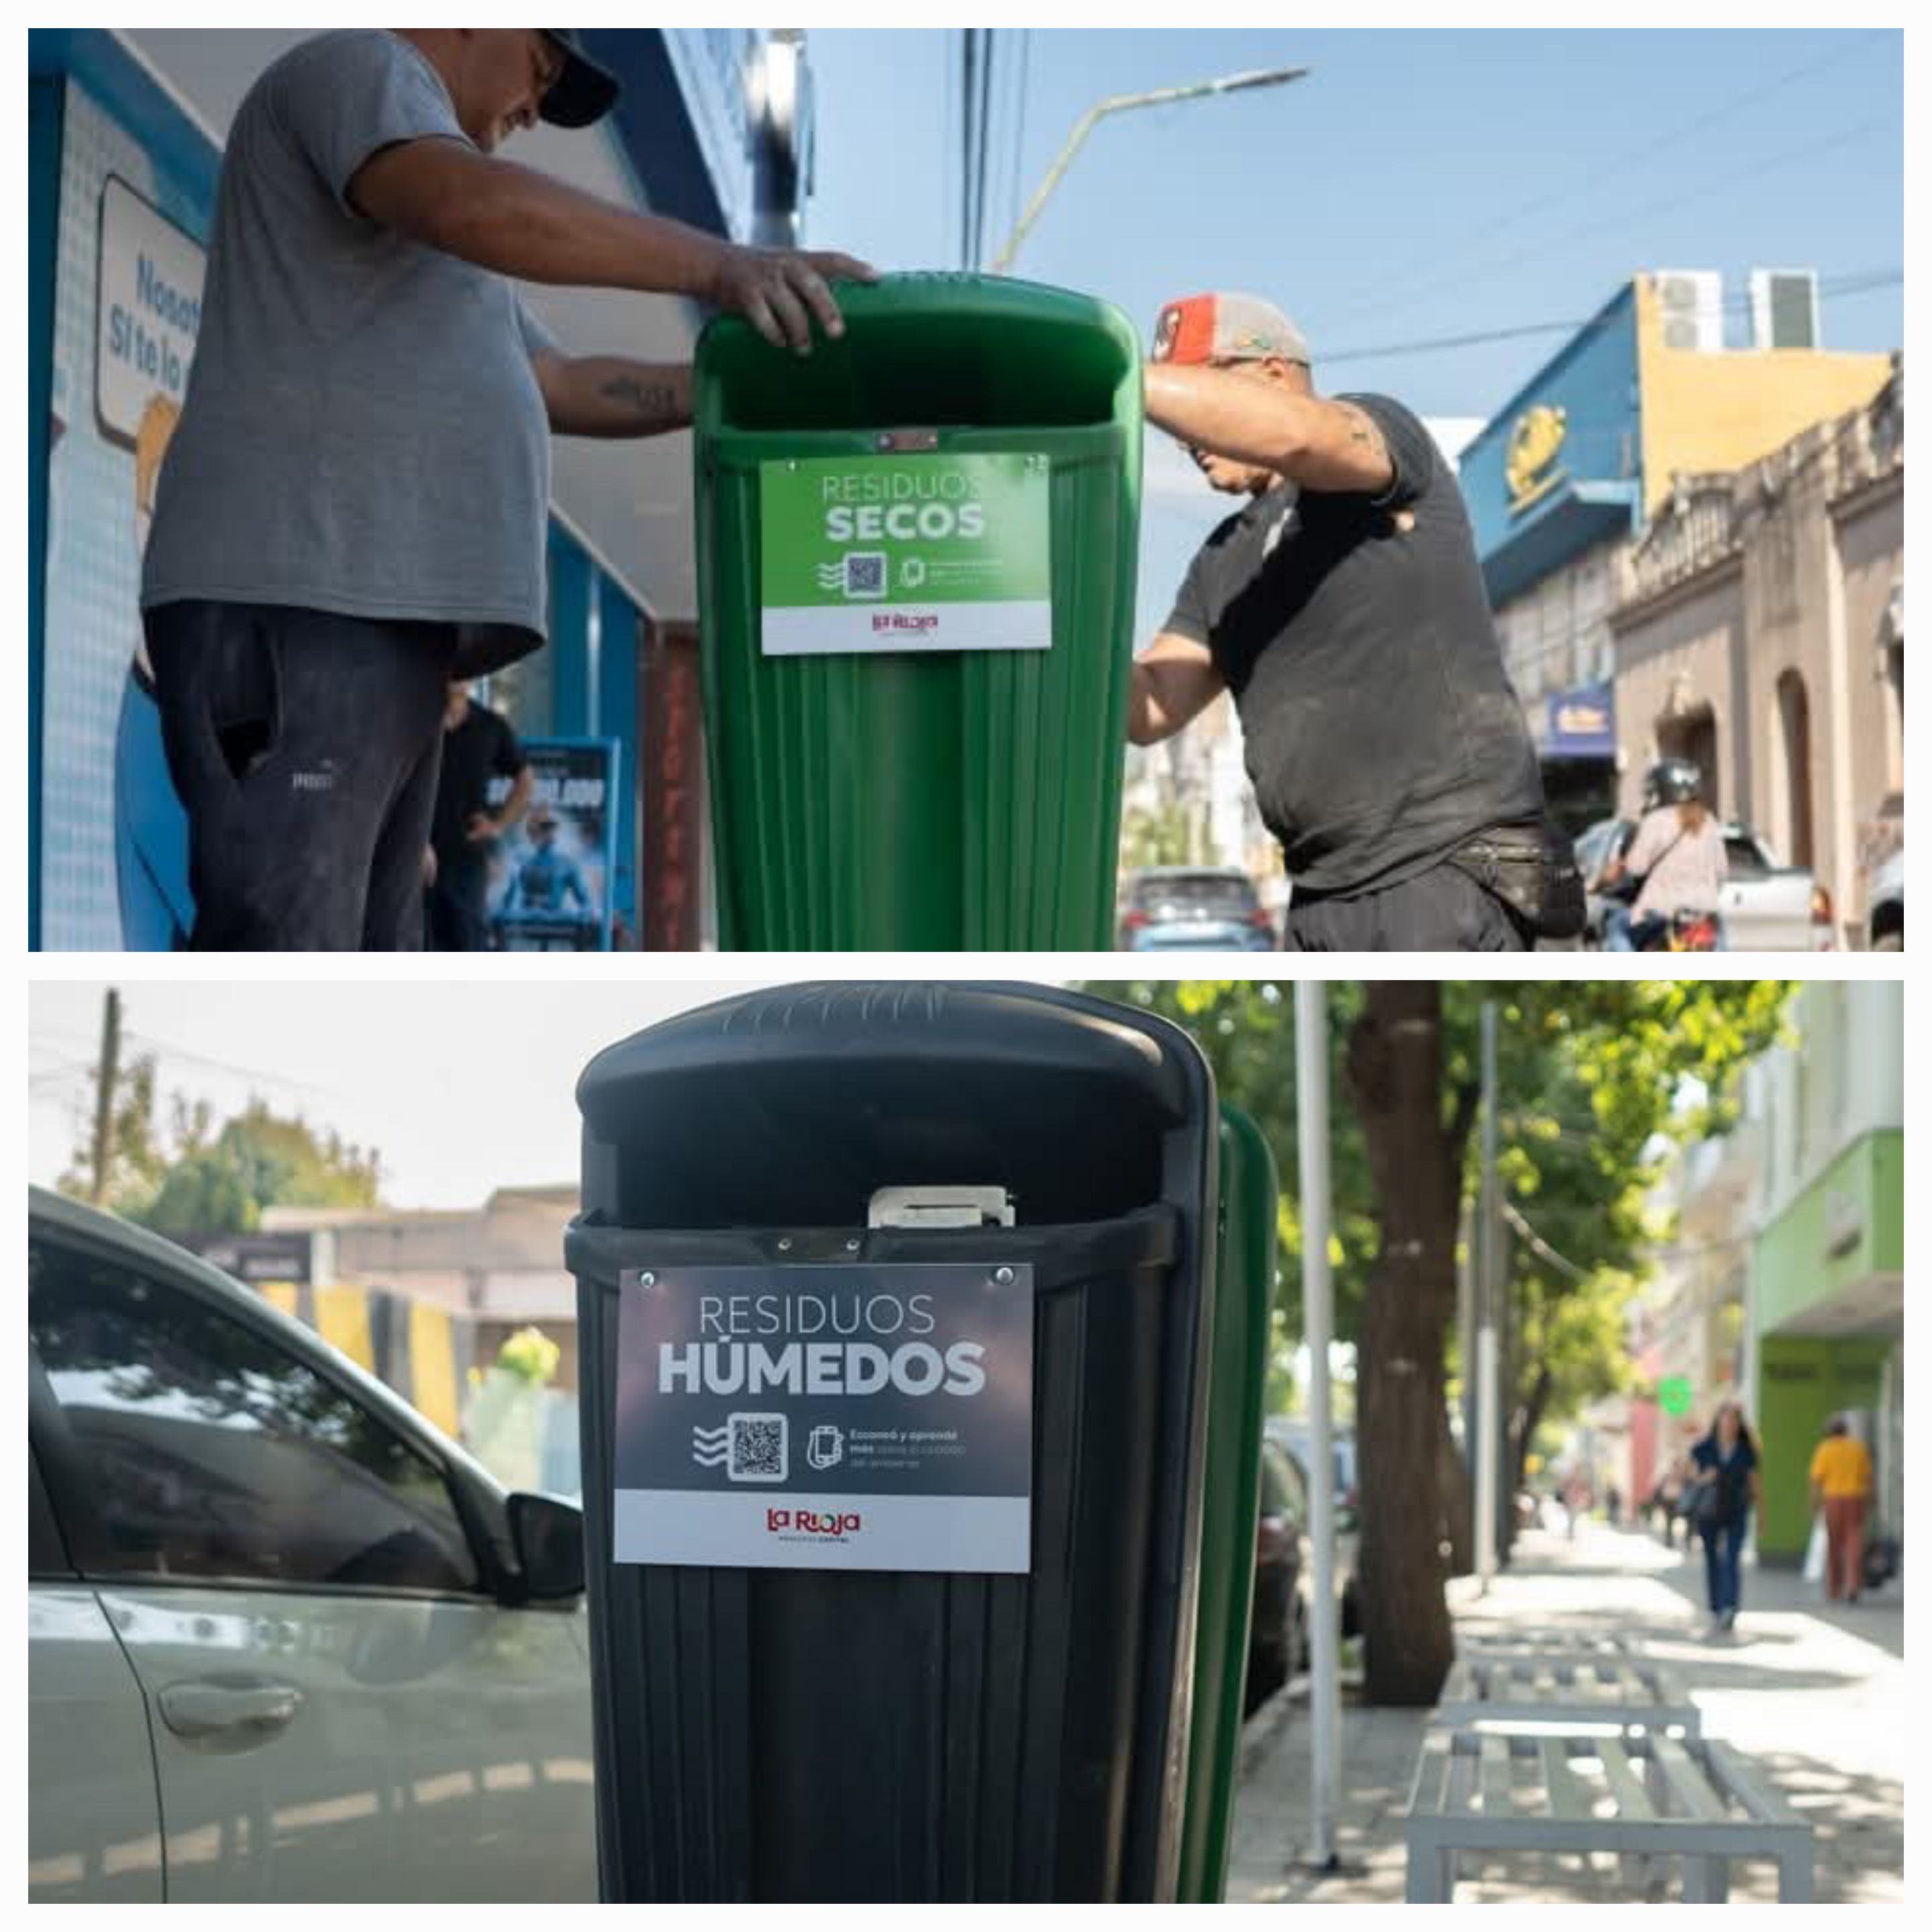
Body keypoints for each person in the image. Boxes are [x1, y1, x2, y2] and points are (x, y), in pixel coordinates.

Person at [140, 30, 874, 950]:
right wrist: (720, 265)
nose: (536, 108)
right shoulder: (366, 72)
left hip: (381, 627)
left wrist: (746, 385)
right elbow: (468, 200)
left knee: (366, 950)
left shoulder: (437, 245)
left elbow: (561, 383)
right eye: (545, 66)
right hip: (301, 596)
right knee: (289, 941)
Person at [1126, 291, 1573, 951]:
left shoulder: (1378, 446)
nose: (1182, 435)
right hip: (1320, 898)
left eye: (1194, 393)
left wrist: (1118, 379)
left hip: (1440, 870)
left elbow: (1300, 434)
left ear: (1273, 375)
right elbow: (1151, 708)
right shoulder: (1221, 562)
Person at [425, 682, 532, 950]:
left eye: (467, 670)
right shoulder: (414, 721)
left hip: (467, 858)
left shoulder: (491, 726)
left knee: (469, 944)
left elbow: (525, 778)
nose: (458, 677)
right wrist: (411, 841)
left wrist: (499, 825)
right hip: (416, 858)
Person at [1599, 757, 1728, 951]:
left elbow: (1636, 868)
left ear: (1661, 790)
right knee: (1718, 934)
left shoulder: (1655, 820)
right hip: (1704, 912)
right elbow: (1722, 873)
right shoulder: (1708, 820)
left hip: (1660, 913)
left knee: (1616, 927)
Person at [1682, 1401, 1762, 1633]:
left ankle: (1731, 1607)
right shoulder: (1705, 1447)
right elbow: (1686, 1472)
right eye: (1726, 1420)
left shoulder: (1746, 1450)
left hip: (1736, 1511)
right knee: (1713, 1560)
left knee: (1731, 1558)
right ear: (1719, 1422)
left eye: (1735, 1421)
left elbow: (1755, 1484)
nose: (1730, 1425)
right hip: (1709, 1512)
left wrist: (1762, 1515)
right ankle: (1716, 1607)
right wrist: (1703, 1477)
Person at [1807, 1415, 1874, 1604]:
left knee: (1834, 1545)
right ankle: (1853, 1586)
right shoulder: (1858, 1449)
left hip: (1833, 1500)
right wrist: (1870, 1502)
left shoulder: (1825, 1449)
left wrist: (1814, 1505)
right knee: (1854, 1543)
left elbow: (1816, 1481)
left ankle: (1835, 1588)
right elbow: (1869, 1478)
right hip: (1855, 1499)